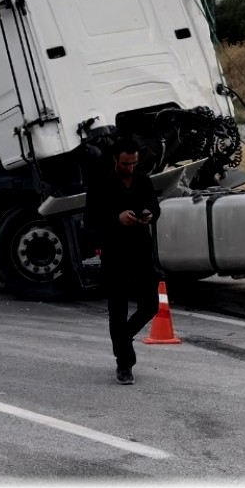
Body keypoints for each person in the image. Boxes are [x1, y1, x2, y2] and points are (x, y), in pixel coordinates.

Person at [84, 138, 161, 385]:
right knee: (117, 312)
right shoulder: (100, 185)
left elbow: (156, 209)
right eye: (126, 163)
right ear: (115, 160)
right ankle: (124, 364)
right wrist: (117, 219)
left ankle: (122, 340)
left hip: (141, 252)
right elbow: (90, 224)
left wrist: (149, 214)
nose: (130, 168)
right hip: (115, 254)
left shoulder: (143, 180)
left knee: (150, 306)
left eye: (134, 163)